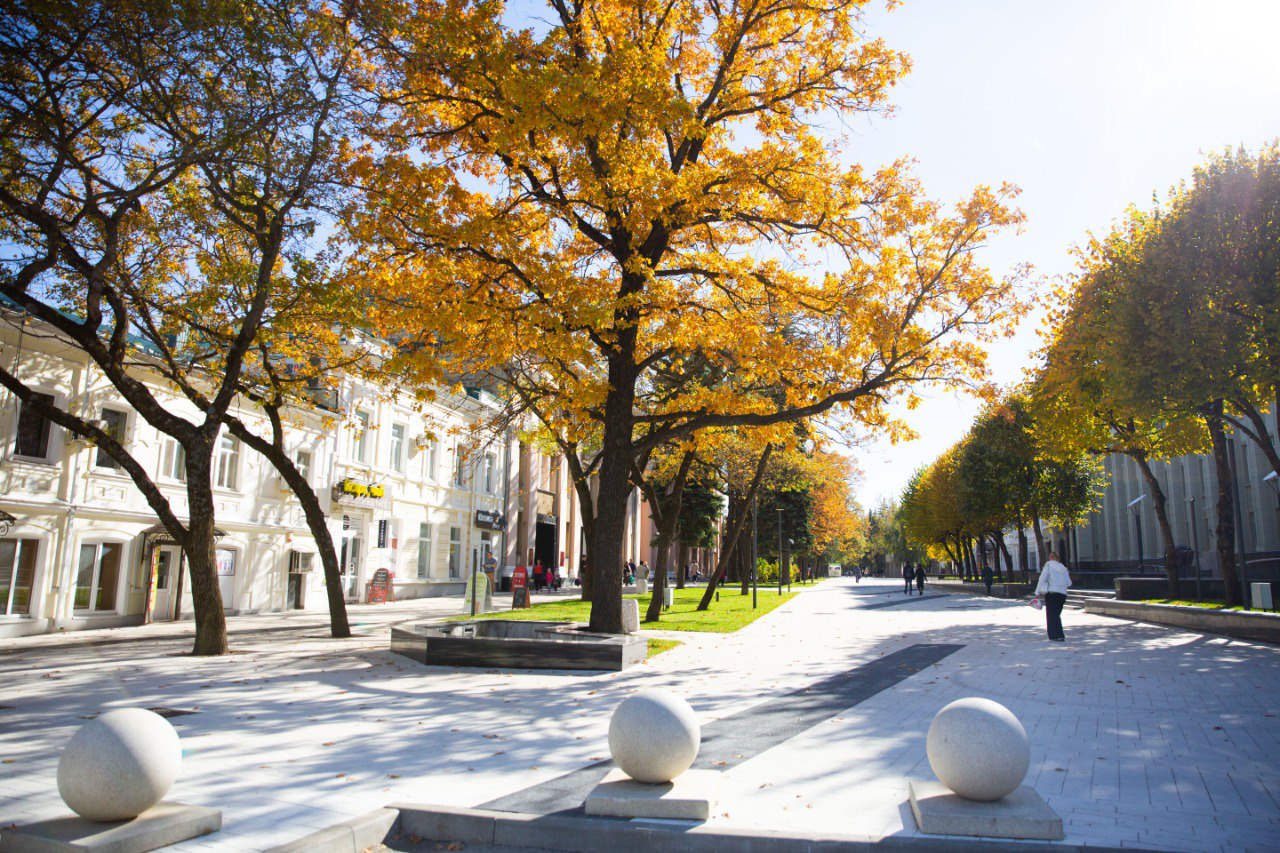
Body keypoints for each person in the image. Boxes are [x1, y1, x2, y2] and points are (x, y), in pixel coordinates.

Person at [1034, 551, 1073, 642]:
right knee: (1057, 614)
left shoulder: (1048, 566)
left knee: (1052, 615)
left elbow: (1042, 579)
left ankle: (1056, 635)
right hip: (1062, 594)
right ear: (1058, 558)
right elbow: (1069, 583)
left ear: (1050, 558)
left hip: (1052, 593)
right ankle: (1058, 634)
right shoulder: (1064, 568)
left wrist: (1037, 592)